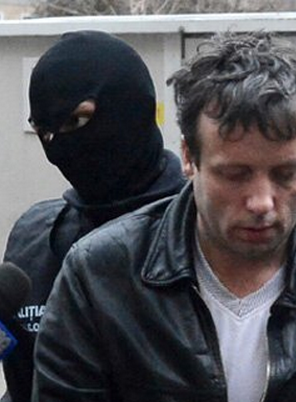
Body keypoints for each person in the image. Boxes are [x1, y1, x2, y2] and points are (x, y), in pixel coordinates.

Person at [32, 31, 296, 402]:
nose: (261, 202)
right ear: (189, 158)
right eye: (235, 174)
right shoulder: (100, 279)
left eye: (286, 174)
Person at [2, 31, 187, 402]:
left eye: (76, 121)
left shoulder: (206, 232)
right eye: (44, 132)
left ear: (132, 106)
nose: (59, 147)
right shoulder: (35, 241)